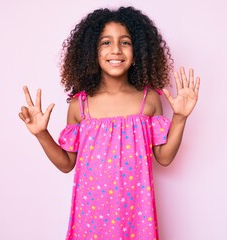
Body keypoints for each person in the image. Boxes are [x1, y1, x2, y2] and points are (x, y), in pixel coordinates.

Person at [19, 6, 200, 239]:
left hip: (136, 216)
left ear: (138, 50)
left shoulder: (149, 99)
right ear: (91, 51)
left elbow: (164, 157)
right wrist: (41, 134)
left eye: (125, 42)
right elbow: (66, 164)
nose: (116, 49)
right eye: (106, 42)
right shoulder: (79, 105)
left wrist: (180, 118)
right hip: (91, 219)